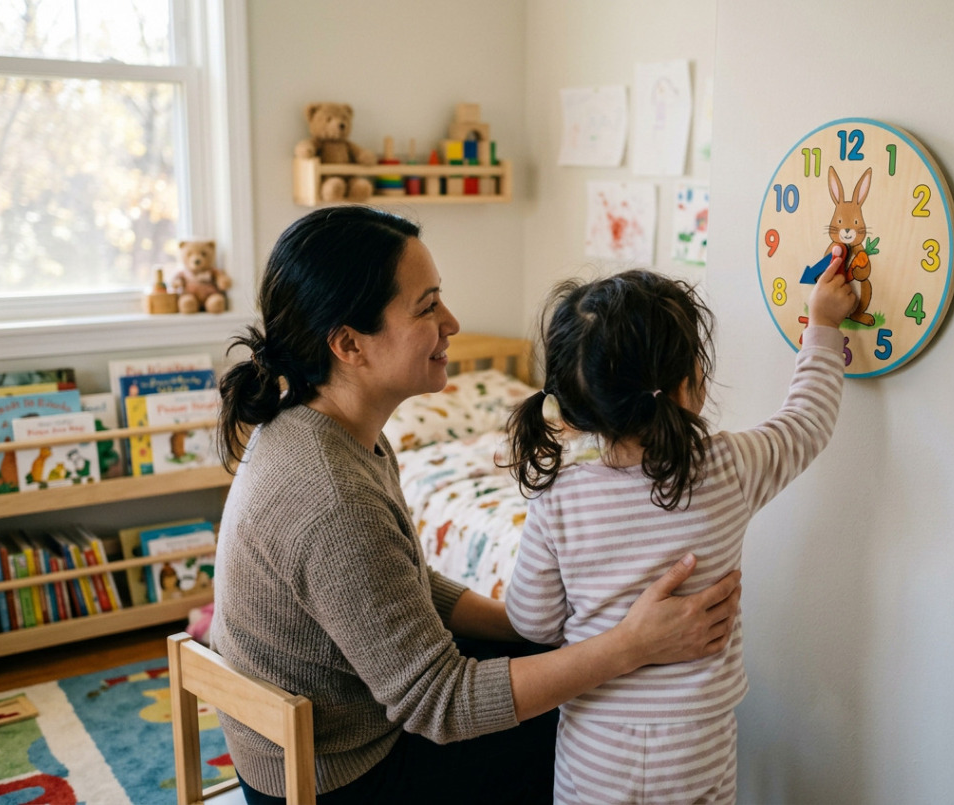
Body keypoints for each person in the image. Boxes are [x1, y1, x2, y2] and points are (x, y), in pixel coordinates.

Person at [210, 205, 743, 805]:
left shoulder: (314, 428)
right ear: (348, 344)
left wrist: (527, 623)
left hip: (320, 740)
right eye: (427, 306)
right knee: (590, 718)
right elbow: (440, 704)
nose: (452, 322)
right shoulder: (334, 498)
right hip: (344, 777)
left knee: (558, 659)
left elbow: (400, 586)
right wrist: (629, 646)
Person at [503, 262, 856, 804]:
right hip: (698, 744)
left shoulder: (559, 500)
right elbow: (808, 420)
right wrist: (822, 324)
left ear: (576, 402)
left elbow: (530, 619)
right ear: (690, 382)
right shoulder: (729, 467)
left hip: (597, 744)